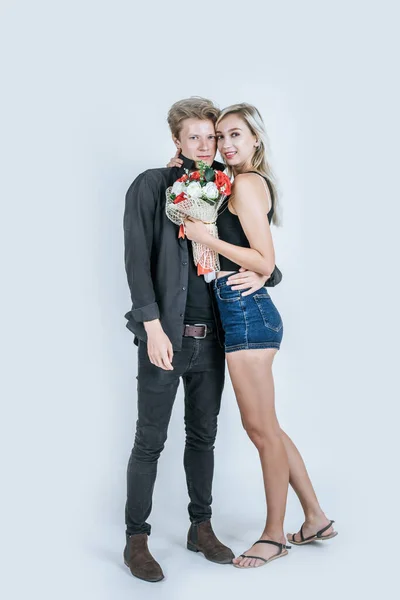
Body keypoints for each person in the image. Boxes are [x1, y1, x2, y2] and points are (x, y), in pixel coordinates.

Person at [181, 103, 337, 570]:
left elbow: (264, 261)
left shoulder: (248, 183)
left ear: (256, 142)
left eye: (235, 136)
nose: (226, 145)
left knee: (261, 431)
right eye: (220, 137)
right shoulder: (235, 181)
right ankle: (314, 518)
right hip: (243, 312)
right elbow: (266, 265)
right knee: (266, 426)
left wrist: (204, 239)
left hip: (246, 314)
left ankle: (273, 536)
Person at [123, 97, 271, 582]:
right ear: (177, 142)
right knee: (150, 440)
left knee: (203, 437)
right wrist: (151, 328)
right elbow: (136, 260)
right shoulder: (153, 185)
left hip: (215, 339)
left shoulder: (225, 188)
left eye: (213, 137)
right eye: (196, 138)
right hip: (167, 336)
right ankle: (136, 538)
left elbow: (252, 250)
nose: (208, 146)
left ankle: (199, 527)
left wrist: (267, 274)